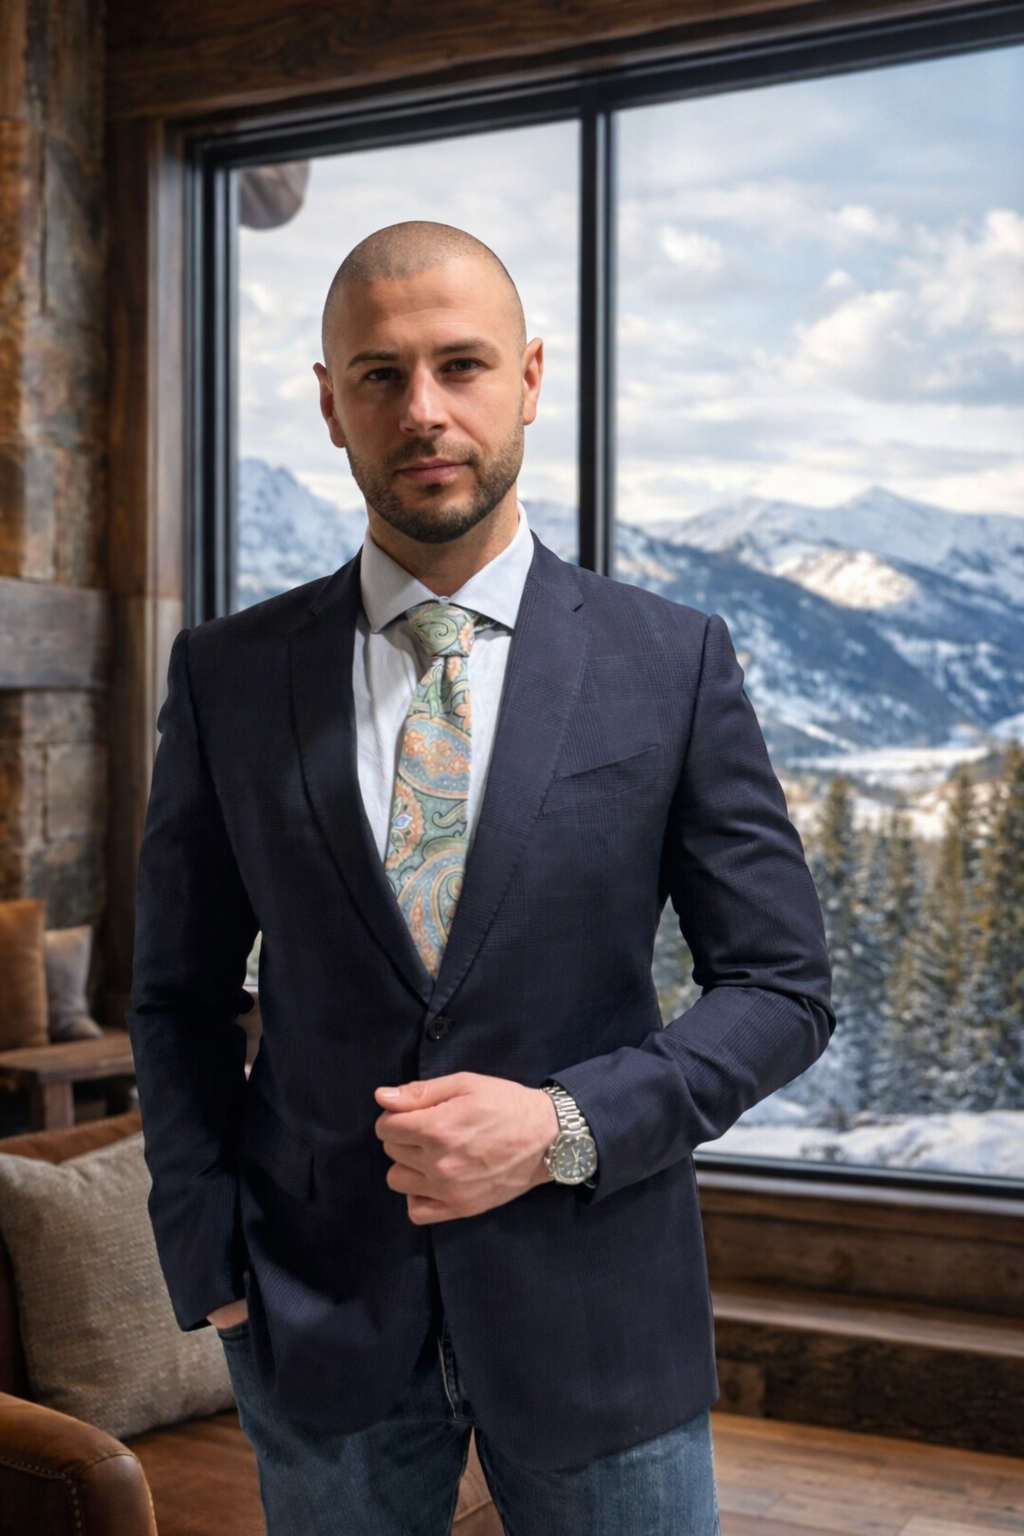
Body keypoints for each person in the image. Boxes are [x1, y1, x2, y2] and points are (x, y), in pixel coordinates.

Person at [129, 221, 833, 1535]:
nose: (427, 409)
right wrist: (205, 1246)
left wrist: (563, 1125)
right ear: (331, 403)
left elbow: (783, 989)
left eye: (461, 364)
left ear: (530, 377)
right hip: (314, 1316)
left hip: (600, 1311)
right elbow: (175, 995)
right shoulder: (227, 677)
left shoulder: (671, 660)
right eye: (382, 374)